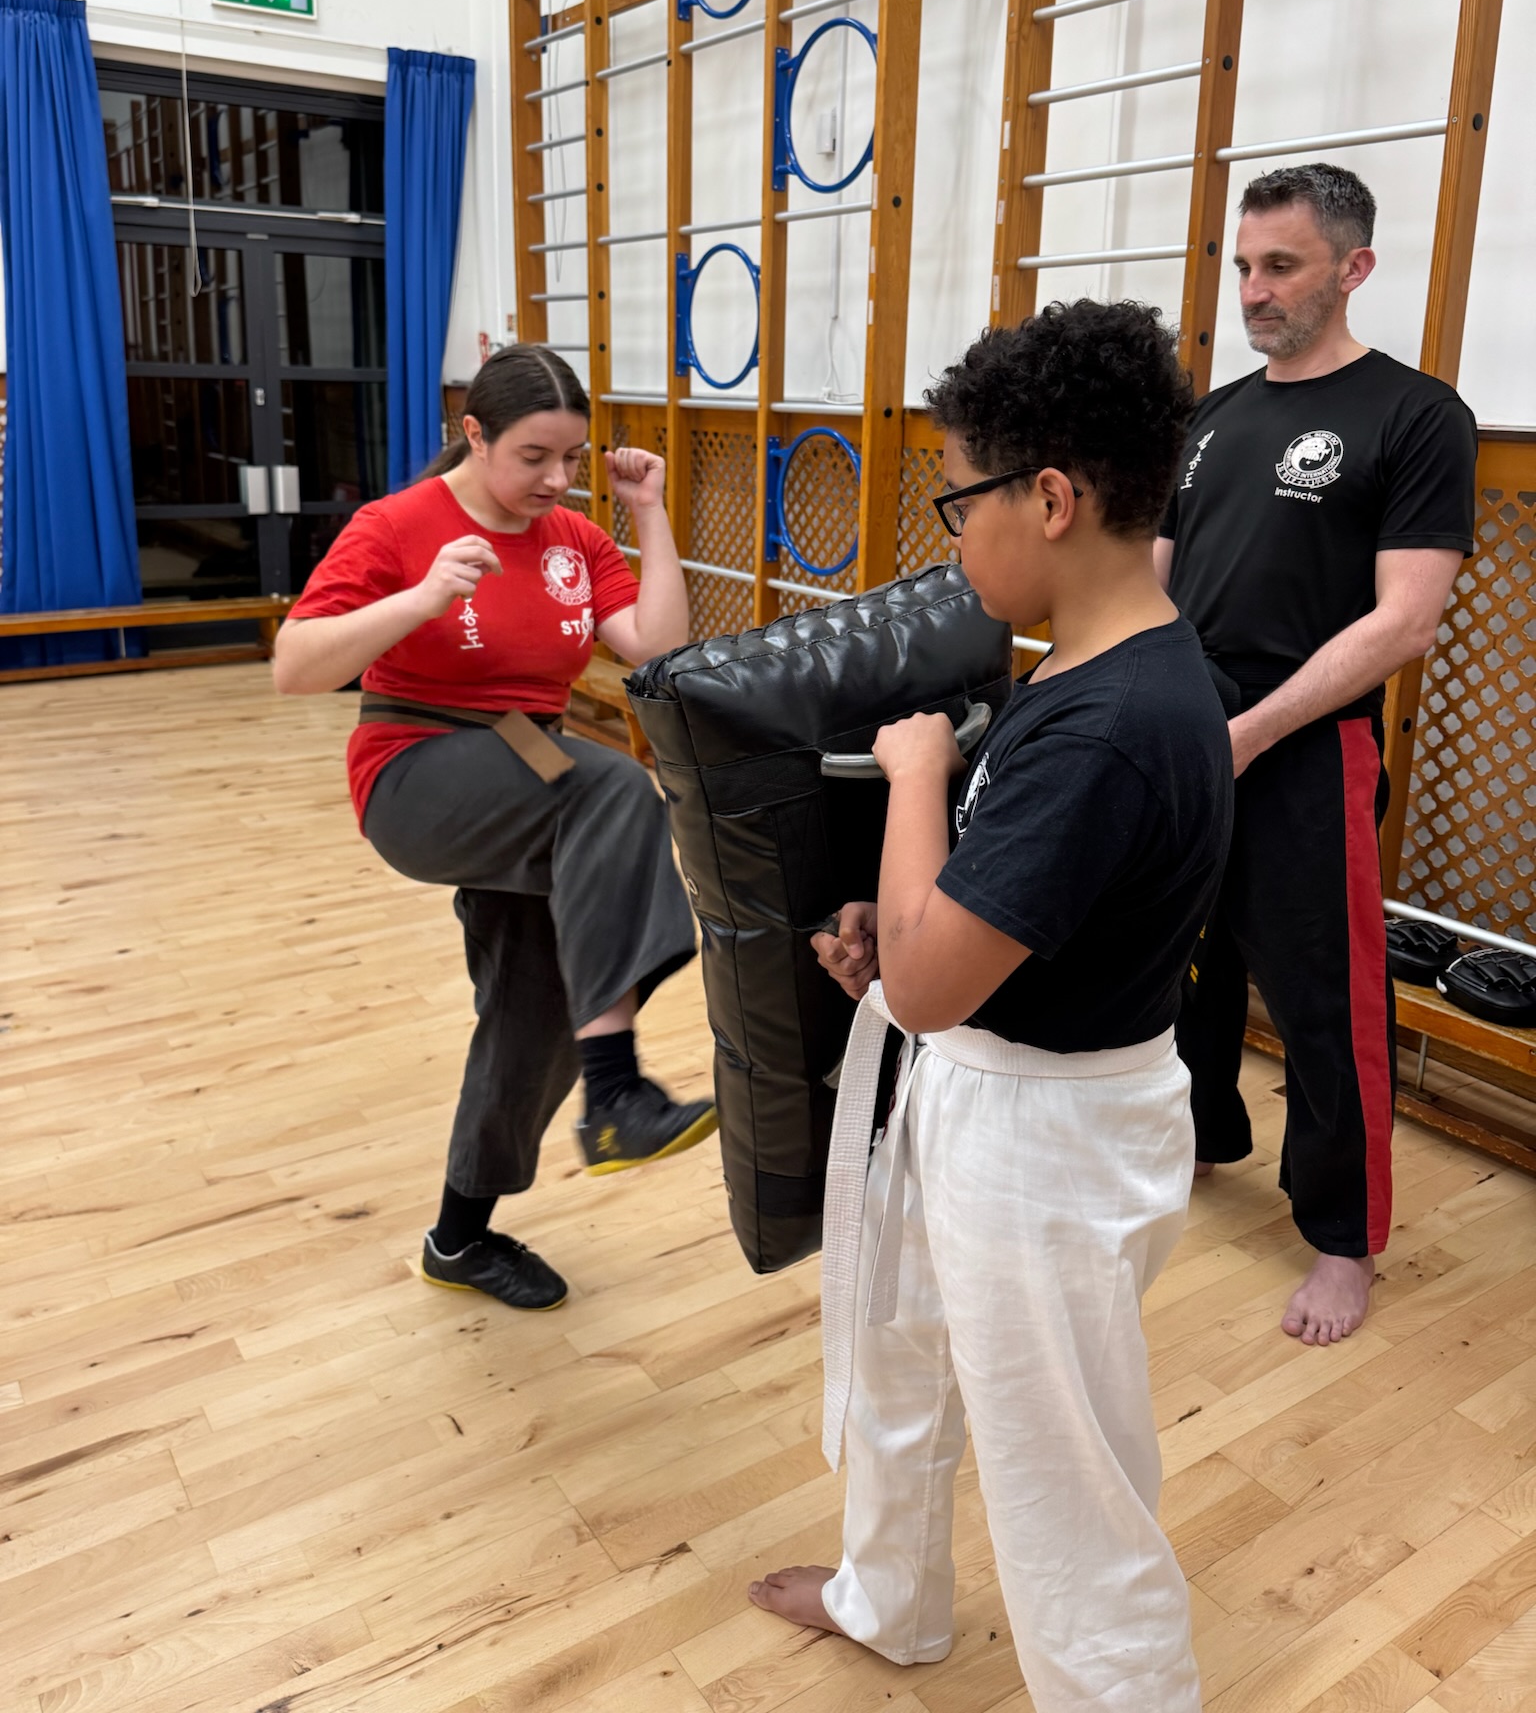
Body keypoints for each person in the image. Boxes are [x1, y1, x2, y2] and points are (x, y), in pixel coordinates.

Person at [751, 302, 1233, 1713]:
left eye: (959, 499)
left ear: (1054, 497)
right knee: (905, 1357)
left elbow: (933, 974)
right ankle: (889, 1600)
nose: (952, 537)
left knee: (1063, 1477)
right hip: (987, 1084)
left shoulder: (1108, 723)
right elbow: (963, 946)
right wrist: (897, 939)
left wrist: (913, 782)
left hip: (1046, 1147)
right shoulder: (1103, 674)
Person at [273, 345, 712, 1313]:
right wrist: (422, 596)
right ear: (473, 434)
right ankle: (618, 1090)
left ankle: (460, 1235)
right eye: (533, 456)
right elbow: (295, 666)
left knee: (537, 1006)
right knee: (615, 787)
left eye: (573, 457)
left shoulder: (573, 537)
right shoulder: (396, 524)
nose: (556, 480)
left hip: (532, 776)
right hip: (417, 767)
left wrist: (649, 512)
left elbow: (659, 655)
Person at [1157, 163, 1477, 1347]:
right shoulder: (1217, 415)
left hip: (1306, 747)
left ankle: (1343, 1238)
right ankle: (1199, 1131)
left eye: (1280, 264)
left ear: (1354, 267)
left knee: (1324, 999)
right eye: (1243, 264)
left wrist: (1252, 730)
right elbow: (1157, 573)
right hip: (1192, 728)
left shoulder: (1415, 413)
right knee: (1182, 954)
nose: (1254, 287)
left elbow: (1405, 619)